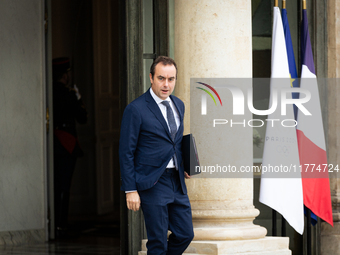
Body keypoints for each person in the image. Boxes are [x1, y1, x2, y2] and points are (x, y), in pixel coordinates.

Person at [119, 56, 194, 254]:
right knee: (158, 241)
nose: (166, 84)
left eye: (171, 79)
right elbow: (126, 151)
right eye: (161, 78)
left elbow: (174, 141)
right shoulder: (135, 109)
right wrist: (130, 189)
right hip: (152, 182)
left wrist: (185, 163)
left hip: (176, 181)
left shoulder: (179, 104)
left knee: (186, 234)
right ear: (151, 78)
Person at [52, 57, 87, 238]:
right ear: (65, 75)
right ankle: (61, 224)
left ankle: (55, 223)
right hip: (66, 142)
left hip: (53, 142)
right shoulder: (69, 93)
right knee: (64, 185)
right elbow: (82, 117)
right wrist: (79, 99)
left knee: (55, 184)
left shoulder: (49, 91)